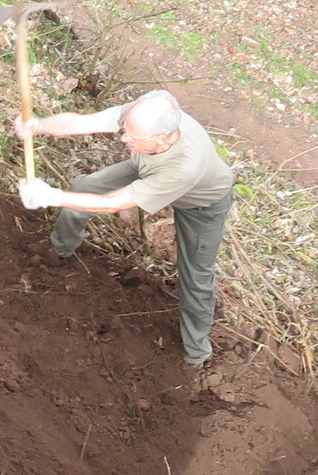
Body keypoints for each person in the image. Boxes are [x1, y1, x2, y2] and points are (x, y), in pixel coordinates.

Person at [15, 90, 236, 368]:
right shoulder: (146, 113)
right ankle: (59, 249)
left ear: (164, 139)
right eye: (126, 132)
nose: (123, 139)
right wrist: (38, 125)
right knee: (85, 186)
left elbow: (112, 204)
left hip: (201, 206)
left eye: (132, 137)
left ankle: (197, 354)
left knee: (196, 277)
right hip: (148, 168)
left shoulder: (184, 167)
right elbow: (84, 122)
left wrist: (51, 196)